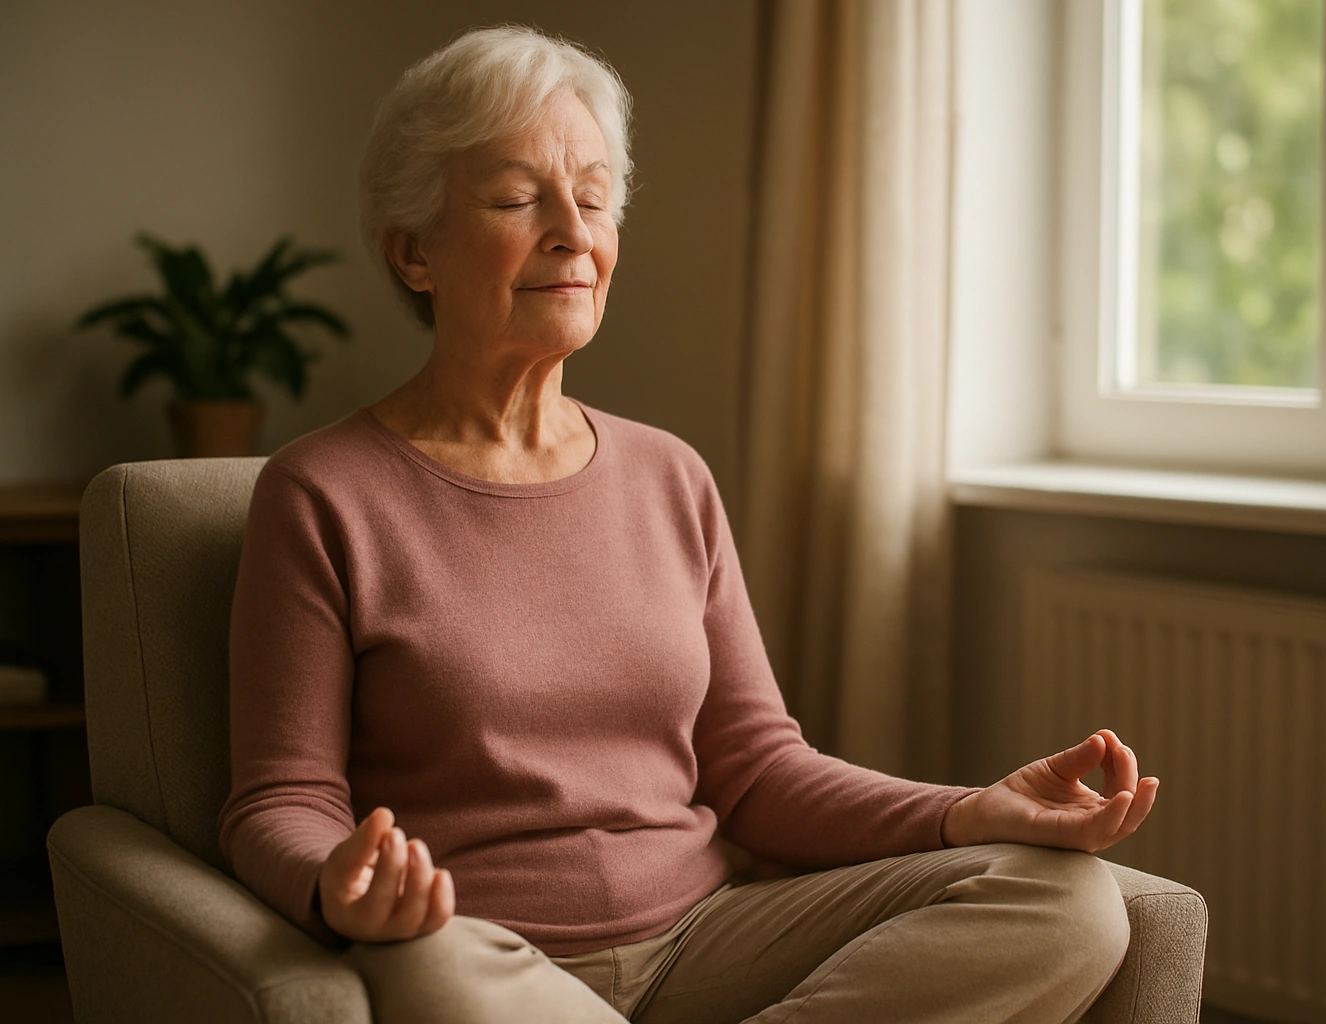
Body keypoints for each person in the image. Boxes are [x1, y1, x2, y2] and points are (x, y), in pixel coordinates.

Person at [218, 25, 1159, 1024]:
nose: (572, 232)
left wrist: (965, 812)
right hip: (487, 953)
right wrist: (341, 882)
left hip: (709, 938)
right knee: (424, 972)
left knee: (1067, 900)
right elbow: (279, 799)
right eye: (515, 197)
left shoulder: (670, 475)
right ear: (415, 252)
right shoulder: (322, 493)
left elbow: (757, 771)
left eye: (591, 196)